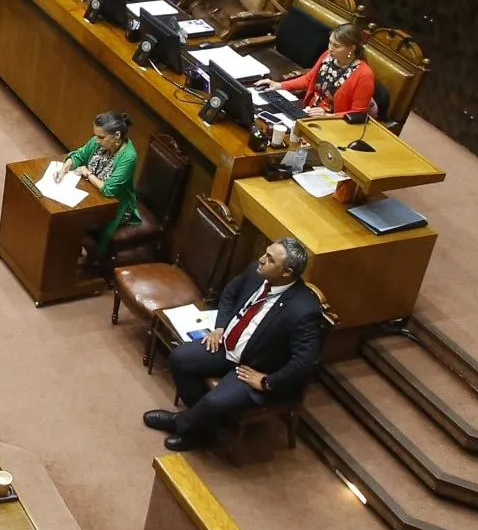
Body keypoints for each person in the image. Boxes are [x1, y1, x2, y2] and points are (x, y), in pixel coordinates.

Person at [145, 238, 326, 450]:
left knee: (214, 402)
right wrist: (221, 327)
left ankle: (183, 424)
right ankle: (204, 428)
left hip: (255, 367)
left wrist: (268, 381)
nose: (261, 259)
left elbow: (306, 362)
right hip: (228, 345)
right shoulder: (257, 272)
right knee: (180, 358)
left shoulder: (303, 310)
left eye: (270, 259)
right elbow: (230, 292)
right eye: (265, 253)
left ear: (286, 272)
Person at [65, 112, 141, 267]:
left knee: (71, 218)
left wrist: (87, 173)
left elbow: (109, 190)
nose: (97, 140)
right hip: (92, 193)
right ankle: (67, 250)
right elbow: (80, 155)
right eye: (96, 136)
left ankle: (91, 260)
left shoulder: (128, 157)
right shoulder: (98, 141)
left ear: (117, 135)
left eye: (101, 137)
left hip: (115, 205)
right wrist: (66, 166)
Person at [277, 25, 380, 120]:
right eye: (330, 43)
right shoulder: (327, 56)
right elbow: (309, 79)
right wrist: (280, 85)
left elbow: (357, 114)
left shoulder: (364, 75)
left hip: (333, 123)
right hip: (308, 112)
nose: (330, 49)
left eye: (336, 46)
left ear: (352, 48)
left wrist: (327, 116)